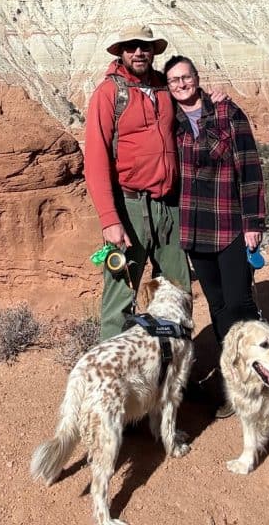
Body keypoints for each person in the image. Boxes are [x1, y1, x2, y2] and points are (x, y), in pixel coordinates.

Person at [164, 54, 265, 412]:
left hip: (230, 224)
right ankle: (233, 383)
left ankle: (257, 379)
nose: (181, 84)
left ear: (197, 77)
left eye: (185, 77)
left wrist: (254, 223)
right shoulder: (169, 121)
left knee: (239, 303)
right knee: (219, 305)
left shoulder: (226, 112)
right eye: (174, 80)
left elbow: (250, 168)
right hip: (194, 227)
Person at [84, 24, 191, 340]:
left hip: (168, 207)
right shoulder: (108, 93)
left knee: (177, 290)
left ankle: (174, 376)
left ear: (153, 51)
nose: (138, 52)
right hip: (129, 207)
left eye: (144, 46)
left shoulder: (163, 87)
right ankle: (111, 381)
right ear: (121, 52)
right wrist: (109, 220)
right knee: (120, 298)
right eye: (131, 47)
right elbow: (96, 160)